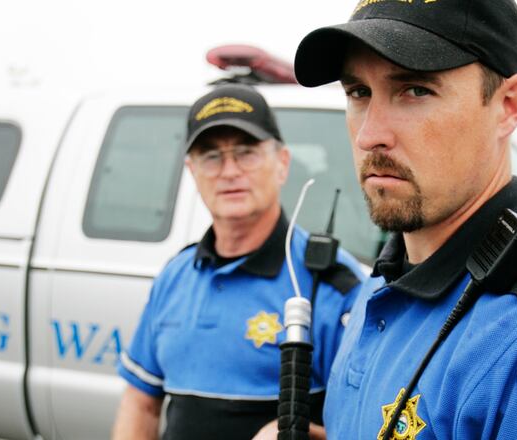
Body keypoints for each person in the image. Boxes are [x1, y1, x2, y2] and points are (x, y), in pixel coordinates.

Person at [291, 0, 517, 439]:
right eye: (358, 92)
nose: (370, 135)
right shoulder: (386, 281)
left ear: (508, 105)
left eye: (415, 91)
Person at [111, 84, 363, 440]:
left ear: (282, 163)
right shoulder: (176, 275)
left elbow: (366, 424)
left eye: (246, 152)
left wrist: (300, 433)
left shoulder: (330, 283)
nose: (229, 171)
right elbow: (140, 403)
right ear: (192, 170)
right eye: (211, 156)